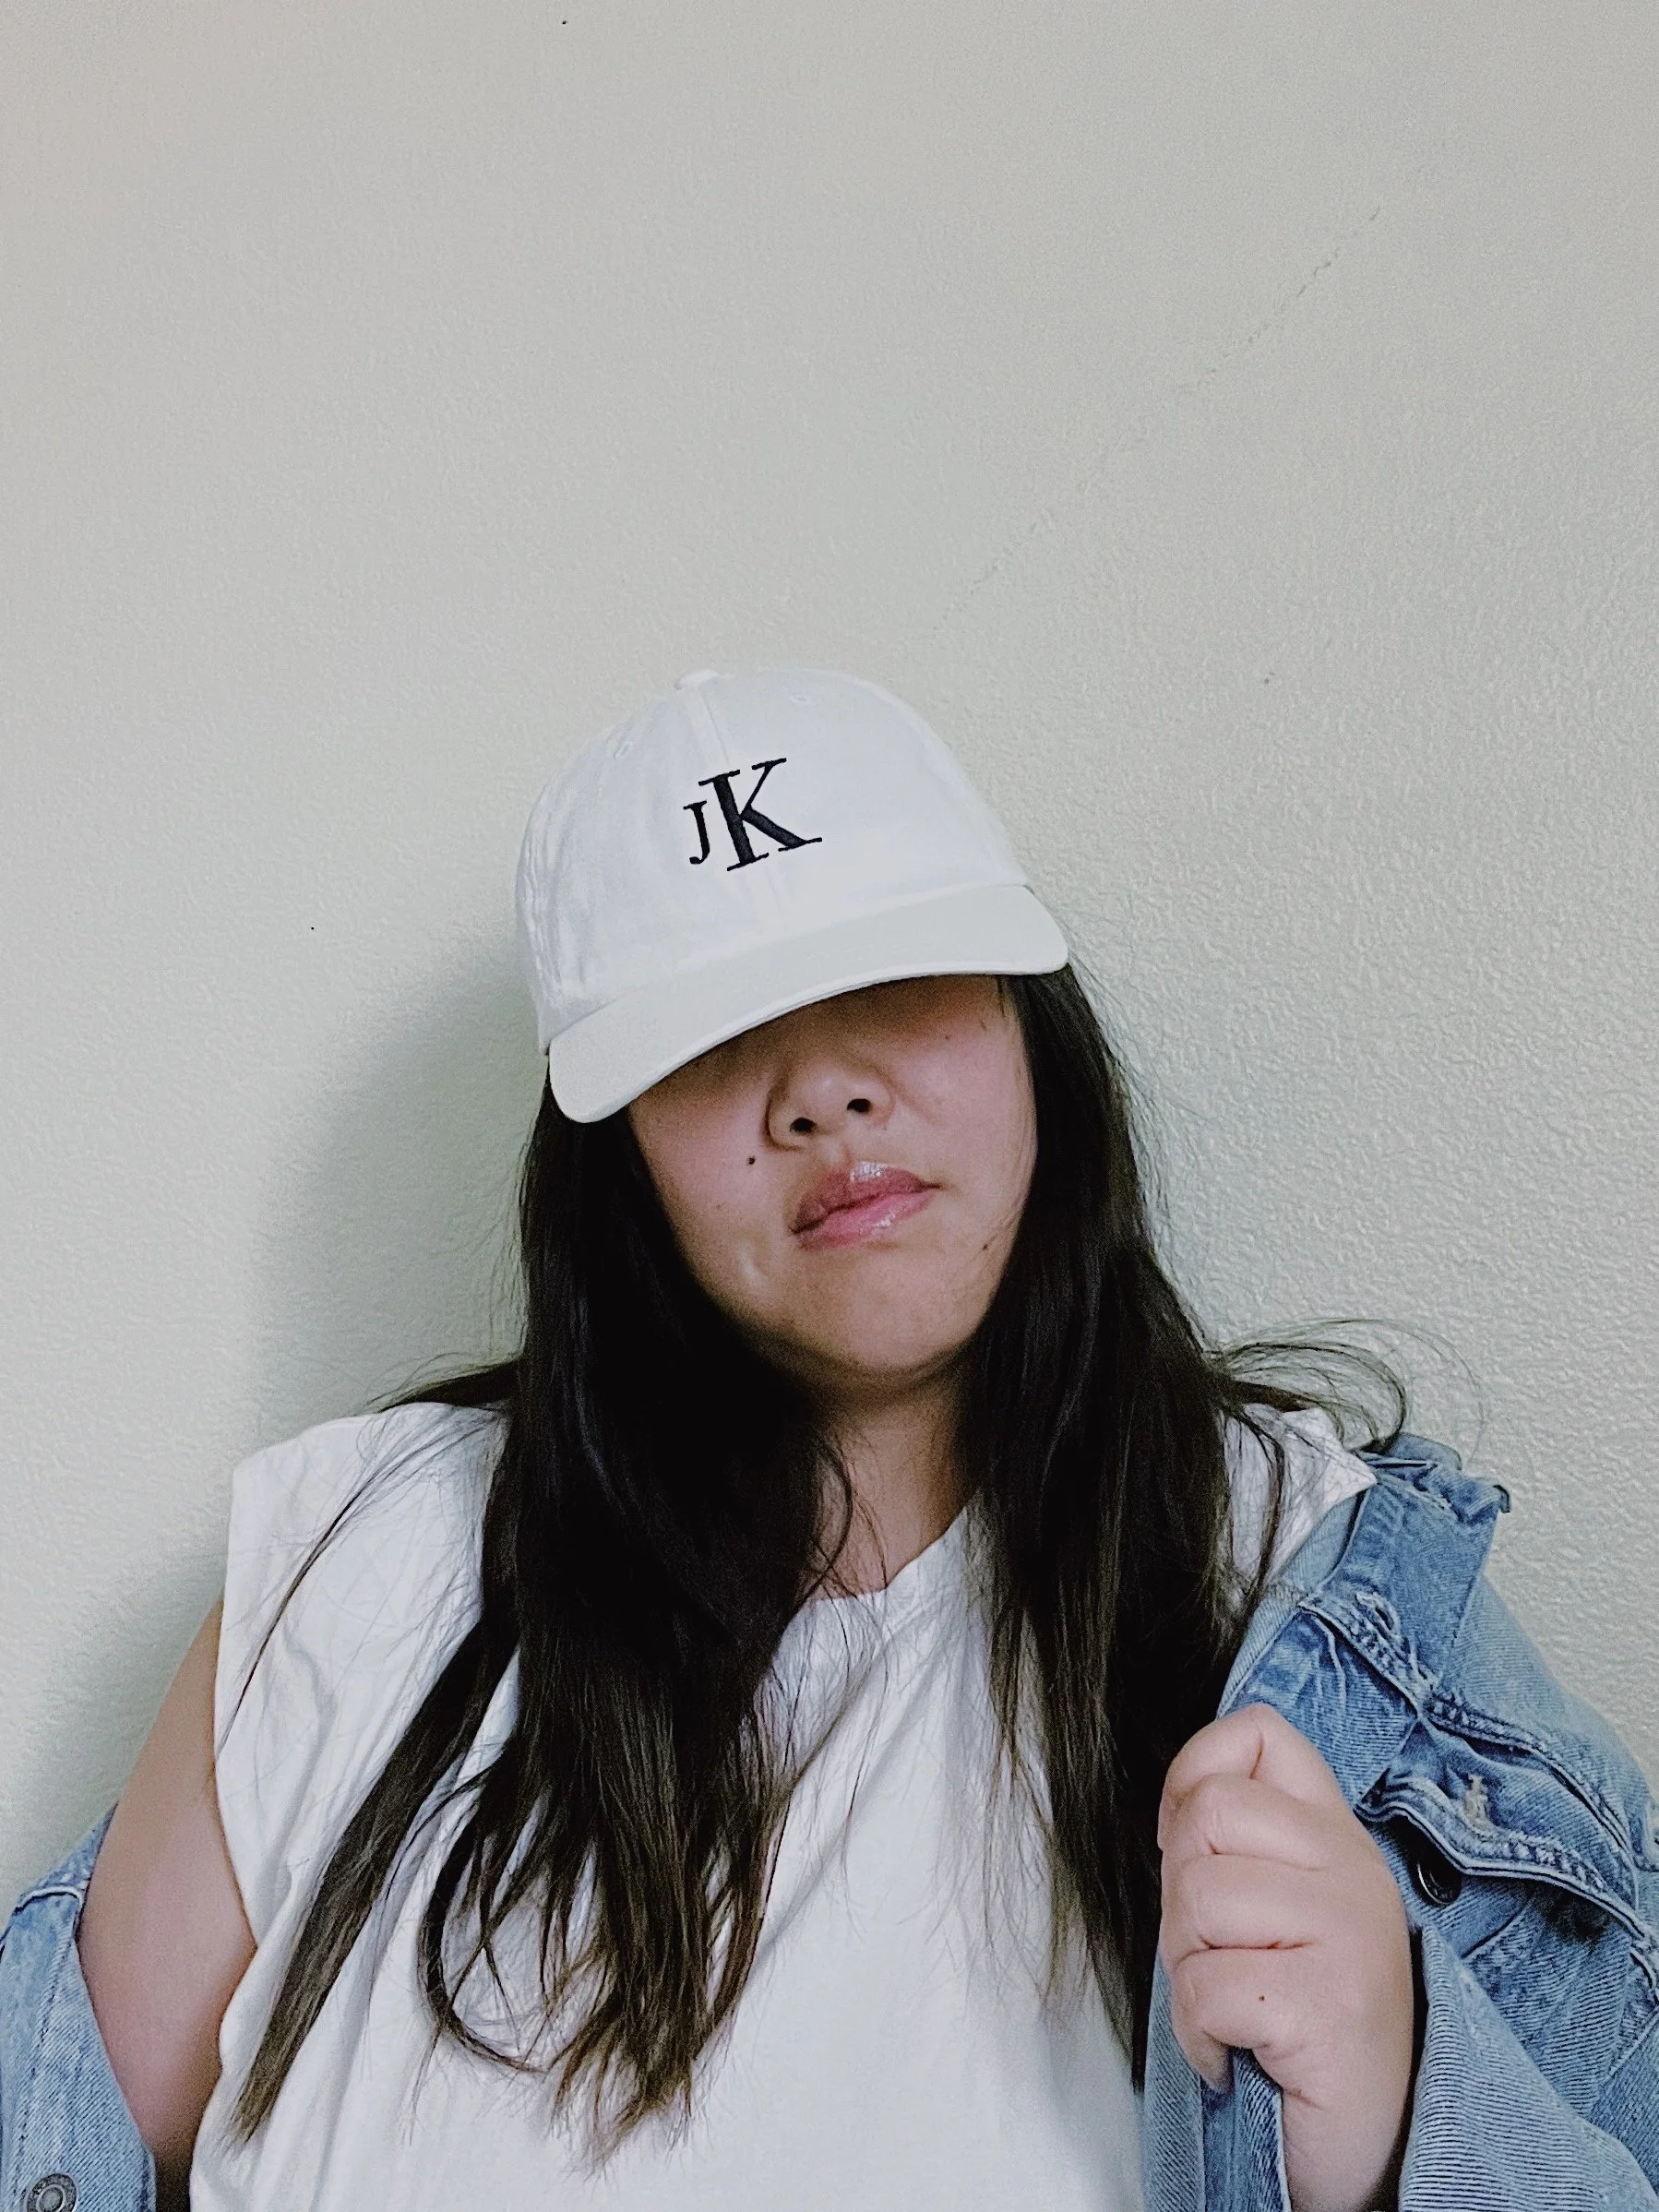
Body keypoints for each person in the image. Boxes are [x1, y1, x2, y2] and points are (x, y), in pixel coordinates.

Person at [2, 667, 1655, 2212]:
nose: (822, 1093)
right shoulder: (360, 1566)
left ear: (1027, 1025)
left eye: (893, 978)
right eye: (709, 1039)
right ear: (618, 1157)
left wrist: (1413, 2120)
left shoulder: (1331, 1610)